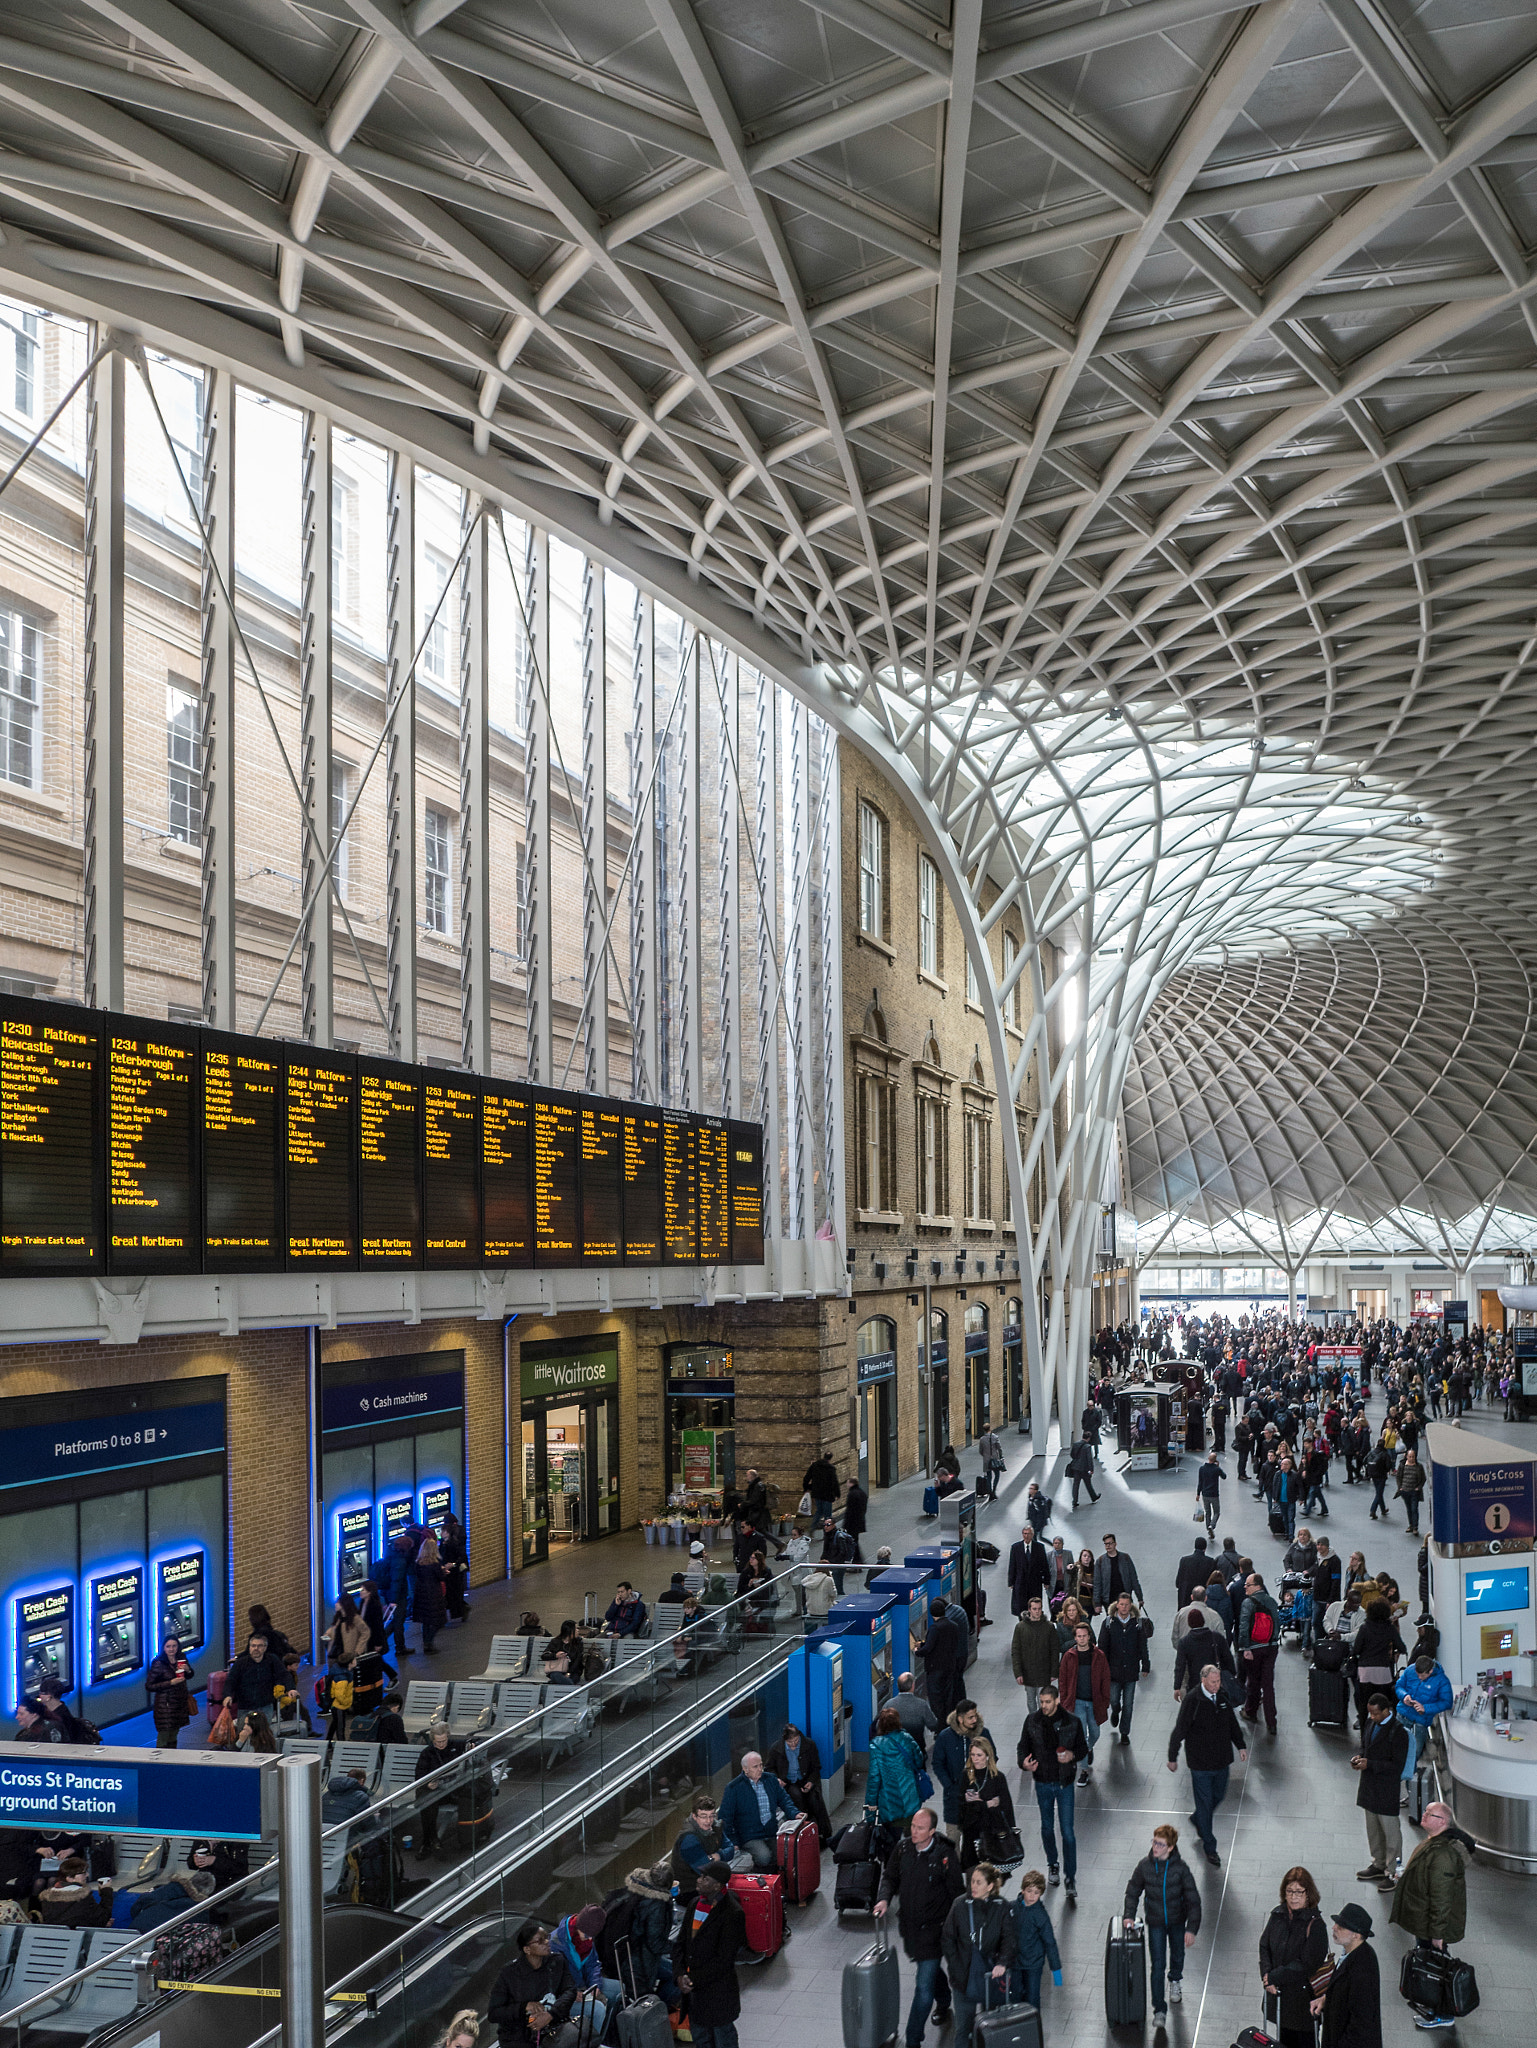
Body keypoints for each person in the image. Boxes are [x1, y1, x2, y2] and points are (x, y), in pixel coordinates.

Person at [876, 1809, 964, 2048]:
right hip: (910, 1928)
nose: (914, 1831)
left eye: (920, 1828)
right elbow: (890, 1876)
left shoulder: (945, 1856)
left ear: (932, 1832)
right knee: (931, 1970)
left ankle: (913, 2039)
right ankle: (945, 1999)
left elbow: (958, 1894)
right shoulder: (903, 1849)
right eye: (913, 1826)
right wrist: (884, 1898)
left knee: (923, 1987)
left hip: (935, 1932)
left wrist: (957, 1931)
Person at [1388, 1801, 1471, 2015]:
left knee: (1437, 1969)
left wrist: (1437, 1934)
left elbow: (1442, 1899)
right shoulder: (1434, 1843)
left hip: (1431, 1926)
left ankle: (1442, 2013)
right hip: (1424, 1921)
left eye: (1429, 1813)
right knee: (1430, 1966)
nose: (1423, 1815)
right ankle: (1433, 2005)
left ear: (1442, 1822)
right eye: (1425, 1811)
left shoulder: (1443, 1855)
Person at [1166, 1662, 1247, 1868]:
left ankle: (1198, 1818)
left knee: (1218, 1796)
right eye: (1213, 1682)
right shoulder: (1193, 1700)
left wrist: (1241, 1745)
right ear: (1203, 1680)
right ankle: (1210, 1847)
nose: (1216, 1685)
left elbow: (1231, 1722)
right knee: (1205, 1803)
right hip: (1200, 1764)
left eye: (1218, 1681)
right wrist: (1172, 1756)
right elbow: (1180, 1729)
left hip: (1221, 1761)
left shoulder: (1222, 1696)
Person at [1123, 1824, 1201, 2024]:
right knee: (1157, 1965)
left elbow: (1193, 1900)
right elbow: (1133, 1890)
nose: (1155, 1847)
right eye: (1154, 1842)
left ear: (1171, 1847)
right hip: (1156, 1922)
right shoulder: (1145, 1866)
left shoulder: (1181, 1870)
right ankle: (1159, 2009)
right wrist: (1129, 1915)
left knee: (1177, 1955)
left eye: (1160, 1844)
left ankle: (1175, 1979)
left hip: (1177, 1921)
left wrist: (1191, 1929)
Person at [1017, 1681, 1086, 1896]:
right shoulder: (1032, 1721)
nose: (1044, 1706)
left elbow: (1082, 1748)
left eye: (1047, 1702)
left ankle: (1070, 1877)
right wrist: (1024, 1763)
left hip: (1064, 1782)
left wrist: (1072, 1755)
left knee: (1068, 1832)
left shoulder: (1072, 1722)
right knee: (1047, 1827)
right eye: (1041, 1702)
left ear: (1057, 1700)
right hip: (1043, 1781)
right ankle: (1053, 1863)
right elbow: (1023, 1747)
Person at [672, 1861, 746, 2048]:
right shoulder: (694, 1904)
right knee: (700, 2037)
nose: (699, 1880)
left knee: (723, 2038)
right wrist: (680, 1974)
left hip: (717, 1992)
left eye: (705, 1878)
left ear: (718, 1885)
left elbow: (724, 1959)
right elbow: (681, 1943)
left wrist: (692, 1980)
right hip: (694, 1992)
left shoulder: (732, 1913)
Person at [942, 1861, 1016, 2043]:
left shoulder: (1002, 1907)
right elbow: (948, 1938)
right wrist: (955, 1968)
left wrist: (1002, 1962)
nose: (973, 1886)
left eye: (978, 1882)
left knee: (991, 2027)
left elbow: (1009, 1939)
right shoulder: (959, 1905)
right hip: (963, 1978)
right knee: (963, 2029)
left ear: (990, 1886)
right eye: (972, 1881)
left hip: (990, 1975)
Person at [1261, 1867, 1330, 2048]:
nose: (1293, 1897)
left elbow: (1308, 1964)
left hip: (1302, 2004)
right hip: (1280, 1998)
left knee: (1304, 2042)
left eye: (1299, 1892)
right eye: (1289, 1891)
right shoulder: (1277, 1915)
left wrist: (1275, 1977)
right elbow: (1264, 1946)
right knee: (1283, 2040)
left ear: (1309, 1893)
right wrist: (1267, 1976)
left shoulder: (1315, 1925)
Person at [487, 1920, 578, 2048]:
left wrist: (551, 2014)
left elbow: (570, 1990)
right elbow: (494, 2013)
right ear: (527, 1949)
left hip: (553, 2029)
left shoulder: (557, 1961)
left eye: (546, 1938)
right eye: (540, 1941)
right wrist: (524, 2007)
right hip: (519, 2036)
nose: (547, 1942)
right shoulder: (508, 1974)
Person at [1351, 1693, 1409, 1891]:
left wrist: (1371, 1764)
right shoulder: (1370, 1723)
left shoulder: (1398, 1732)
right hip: (1369, 1787)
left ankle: (1395, 1872)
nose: (1372, 1717)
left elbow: (1397, 1765)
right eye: (1370, 1713)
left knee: (1392, 1835)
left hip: (1386, 1790)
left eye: (1376, 1713)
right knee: (1373, 1830)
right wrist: (1359, 1757)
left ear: (1387, 1710)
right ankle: (1378, 1864)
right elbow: (1365, 1746)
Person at [1311, 1903, 1382, 2048]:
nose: (1334, 1927)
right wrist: (1326, 1999)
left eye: (1341, 1927)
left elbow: (1362, 2022)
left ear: (1356, 1935)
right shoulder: (1353, 1953)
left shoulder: (1362, 1969)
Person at [550, 1906, 623, 2040]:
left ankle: (604, 2033)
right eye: (587, 1935)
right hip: (565, 1995)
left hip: (584, 1986)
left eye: (592, 1936)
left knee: (619, 1989)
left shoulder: (585, 1937)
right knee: (598, 2009)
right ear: (579, 1926)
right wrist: (573, 1992)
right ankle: (589, 2042)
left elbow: (593, 1964)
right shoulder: (556, 1943)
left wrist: (596, 1985)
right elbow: (554, 1979)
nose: (590, 1940)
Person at [718, 1750, 796, 1867]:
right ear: (745, 1769)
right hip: (749, 1835)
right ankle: (760, 1878)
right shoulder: (734, 1788)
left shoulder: (770, 1780)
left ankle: (777, 1881)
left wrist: (795, 1813)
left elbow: (784, 1799)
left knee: (784, 1854)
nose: (760, 1769)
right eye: (755, 1766)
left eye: (761, 1765)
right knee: (764, 1857)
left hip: (771, 1831)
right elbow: (725, 1817)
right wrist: (732, 1842)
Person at [1056, 1621, 1110, 1784]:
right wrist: (1065, 1700)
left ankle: (1085, 1749)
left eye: (1084, 1636)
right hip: (1076, 1702)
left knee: (1095, 1733)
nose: (1082, 1639)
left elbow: (1105, 1679)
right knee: (1080, 1734)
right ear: (1075, 1638)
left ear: (1089, 1637)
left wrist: (1105, 1700)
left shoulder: (1099, 1656)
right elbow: (1063, 1679)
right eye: (1079, 1636)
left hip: (1095, 1702)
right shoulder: (1069, 1656)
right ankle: (1084, 1770)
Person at [932, 1701, 990, 1845]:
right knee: (952, 1841)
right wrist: (949, 1786)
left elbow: (993, 1758)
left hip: (978, 1798)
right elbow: (938, 1763)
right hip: (954, 1800)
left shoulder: (983, 1733)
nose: (974, 1720)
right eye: (970, 1717)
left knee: (976, 1844)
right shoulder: (946, 1737)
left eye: (975, 1716)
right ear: (960, 1719)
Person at [765, 1721, 832, 1842]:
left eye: (796, 1741)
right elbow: (769, 1768)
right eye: (790, 1742)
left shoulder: (809, 1745)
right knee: (796, 1797)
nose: (793, 1744)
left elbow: (816, 1767)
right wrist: (777, 1779)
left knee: (814, 1799)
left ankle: (823, 1832)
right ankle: (805, 1832)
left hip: (805, 1780)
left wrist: (811, 1781)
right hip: (788, 1782)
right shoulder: (776, 1749)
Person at [957, 1735, 1016, 1872]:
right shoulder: (966, 1775)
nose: (975, 1758)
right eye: (972, 1755)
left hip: (992, 1834)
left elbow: (1006, 1806)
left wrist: (1011, 1831)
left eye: (979, 1755)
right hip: (971, 1833)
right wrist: (988, 1803)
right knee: (973, 1875)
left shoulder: (998, 1777)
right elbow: (961, 1806)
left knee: (990, 1876)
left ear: (987, 1756)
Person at [1099, 1591, 1151, 1745]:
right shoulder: (1108, 1623)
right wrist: (1102, 1668)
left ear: (1130, 1606)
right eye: (1121, 1604)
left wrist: (1145, 1665)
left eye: (1127, 1604)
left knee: (1128, 1704)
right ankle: (1115, 1711)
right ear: (1117, 1605)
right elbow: (1102, 1647)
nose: (1124, 1607)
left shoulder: (1138, 1624)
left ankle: (1124, 1732)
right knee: (1114, 1700)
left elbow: (1143, 1646)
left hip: (1130, 1671)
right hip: (1113, 1672)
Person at [1395, 1654, 1452, 1791]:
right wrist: (1404, 1696)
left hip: (1420, 1723)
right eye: (1417, 1674)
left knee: (1412, 1757)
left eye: (1422, 1676)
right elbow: (1399, 1686)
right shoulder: (1410, 1670)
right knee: (1394, 1751)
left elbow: (1447, 1702)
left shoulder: (1442, 1681)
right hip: (1402, 1716)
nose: (1419, 1678)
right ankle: (1393, 1786)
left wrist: (1425, 1708)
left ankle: (1411, 1793)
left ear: (1430, 1671)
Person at [1008, 1870, 1063, 2010]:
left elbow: (1050, 1942)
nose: (1032, 1896)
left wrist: (1056, 1970)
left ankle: (1032, 2027)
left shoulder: (1040, 1916)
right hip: (1014, 1962)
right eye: (1029, 1891)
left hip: (1033, 1964)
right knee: (1014, 1997)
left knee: (1032, 1998)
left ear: (1041, 1894)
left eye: (1036, 1892)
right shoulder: (1011, 1908)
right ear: (1022, 1890)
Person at [1238, 1572, 1283, 1734]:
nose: (1245, 1587)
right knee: (1268, 1684)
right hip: (1271, 1647)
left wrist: (1245, 1648)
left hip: (1254, 1647)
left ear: (1258, 1586)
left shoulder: (1248, 1603)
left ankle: (1250, 1712)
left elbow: (1243, 1626)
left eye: (1248, 1585)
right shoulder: (1271, 1601)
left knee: (1253, 1681)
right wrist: (1273, 1641)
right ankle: (1272, 1722)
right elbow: (1277, 1623)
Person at [671, 1796, 737, 1904]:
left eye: (711, 1816)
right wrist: (718, 1858)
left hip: (708, 1882)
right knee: (731, 1902)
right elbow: (706, 1869)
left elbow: (731, 1849)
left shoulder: (716, 1826)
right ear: (694, 1816)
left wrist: (719, 1855)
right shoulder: (688, 1839)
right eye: (703, 1816)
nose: (708, 1821)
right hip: (690, 1890)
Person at [413, 1723, 464, 1858]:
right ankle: (431, 1839)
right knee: (427, 1799)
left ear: (448, 1736)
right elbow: (419, 1776)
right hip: (437, 1790)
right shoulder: (427, 1753)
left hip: (454, 1788)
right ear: (432, 1740)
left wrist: (472, 1746)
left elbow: (478, 1742)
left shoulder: (456, 1746)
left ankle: (428, 1842)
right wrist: (428, 1784)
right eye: (437, 1742)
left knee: (428, 1800)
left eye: (443, 1741)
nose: (441, 1744)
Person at [225, 1632, 288, 1728]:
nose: (256, 1649)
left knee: (263, 1733)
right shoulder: (241, 1663)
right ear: (249, 1647)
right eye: (253, 1646)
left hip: (265, 1705)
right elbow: (231, 1680)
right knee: (244, 1732)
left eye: (259, 1646)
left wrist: (291, 1688)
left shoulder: (272, 1660)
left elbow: (283, 1674)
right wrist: (227, 1695)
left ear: (265, 1648)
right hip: (245, 1706)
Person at [1010, 1594, 1059, 1715]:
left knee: (1044, 1700)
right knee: (1031, 1701)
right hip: (1028, 1673)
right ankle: (1035, 1722)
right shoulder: (1020, 1628)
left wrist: (1054, 1672)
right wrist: (1018, 1673)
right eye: (1034, 1609)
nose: (1037, 1611)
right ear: (1029, 1610)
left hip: (1044, 1672)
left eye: (1039, 1608)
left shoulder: (1049, 1627)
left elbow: (1054, 1650)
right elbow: (1016, 1651)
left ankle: (1043, 1723)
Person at [920, 1599, 966, 1723]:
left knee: (936, 1697)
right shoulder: (953, 1626)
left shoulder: (935, 1628)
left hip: (935, 1668)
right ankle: (948, 1720)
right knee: (947, 1696)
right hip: (950, 1666)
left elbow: (929, 1648)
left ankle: (940, 1723)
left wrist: (917, 1651)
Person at [34, 1855, 112, 1927]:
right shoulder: (82, 1897)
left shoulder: (46, 1899)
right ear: (69, 1878)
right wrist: (106, 1891)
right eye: (83, 1873)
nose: (87, 1875)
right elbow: (102, 1919)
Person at [1173, 1607, 1234, 1699]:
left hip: (1195, 1682)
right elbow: (1228, 1658)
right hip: (1216, 1681)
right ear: (1203, 1621)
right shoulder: (1216, 1637)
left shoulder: (1184, 1642)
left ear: (1189, 1624)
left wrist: (1177, 1686)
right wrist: (1231, 1675)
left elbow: (1180, 1666)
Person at [146, 1636, 192, 1750]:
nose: (171, 1649)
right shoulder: (159, 1663)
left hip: (179, 1703)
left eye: (174, 1646)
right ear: (164, 1648)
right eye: (168, 1646)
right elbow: (149, 1685)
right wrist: (170, 1682)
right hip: (165, 1705)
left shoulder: (182, 1658)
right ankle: (161, 1761)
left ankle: (172, 1757)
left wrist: (188, 1670)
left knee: (174, 1733)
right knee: (164, 1735)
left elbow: (190, 1675)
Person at [890, 1671, 940, 1758]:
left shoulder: (889, 1705)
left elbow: (879, 1726)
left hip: (895, 1752)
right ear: (913, 1686)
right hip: (917, 1750)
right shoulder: (921, 1704)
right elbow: (933, 1724)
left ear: (897, 1686)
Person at [413, 1535, 448, 1654]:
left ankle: (426, 1644)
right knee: (438, 1621)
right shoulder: (435, 1564)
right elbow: (441, 1577)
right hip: (434, 1593)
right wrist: (444, 1571)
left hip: (421, 1594)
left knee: (426, 1622)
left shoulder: (418, 1563)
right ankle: (429, 1642)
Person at [1093, 1534, 1143, 1614]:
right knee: (1112, 1623)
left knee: (1127, 1621)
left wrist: (1140, 1597)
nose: (1108, 1546)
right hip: (1109, 1599)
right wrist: (1097, 1603)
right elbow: (1097, 1583)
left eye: (1110, 1543)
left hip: (1125, 1598)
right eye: (1106, 1544)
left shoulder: (1125, 1558)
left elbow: (1133, 1579)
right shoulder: (1100, 1561)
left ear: (1115, 1544)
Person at [1008, 1526, 1050, 1615]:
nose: (1026, 1536)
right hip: (1020, 1582)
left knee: (1034, 1604)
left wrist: (1046, 1581)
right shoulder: (1016, 1547)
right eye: (1025, 1534)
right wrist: (1011, 1582)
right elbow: (1012, 1565)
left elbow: (1044, 1565)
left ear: (1032, 1534)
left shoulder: (1039, 1547)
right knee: (1021, 1605)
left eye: (1028, 1534)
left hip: (1035, 1582)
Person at [1394, 1449, 1426, 1536]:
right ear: (1407, 1457)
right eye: (1410, 1457)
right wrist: (1400, 1488)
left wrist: (1418, 1488)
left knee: (1414, 1509)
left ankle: (1415, 1527)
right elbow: (1399, 1477)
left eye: (1413, 1457)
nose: (1412, 1458)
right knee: (1409, 1509)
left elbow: (1423, 1478)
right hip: (1405, 1491)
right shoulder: (1402, 1466)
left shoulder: (1419, 1467)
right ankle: (1411, 1525)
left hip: (1414, 1492)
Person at [1174, 1537, 1211, 1611]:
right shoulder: (1210, 1562)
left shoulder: (1184, 1560)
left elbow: (1178, 1582)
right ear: (1205, 1548)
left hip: (1185, 1601)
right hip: (1201, 1602)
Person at [802, 1453, 839, 1527]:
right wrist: (837, 1493)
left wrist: (806, 1488)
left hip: (817, 1493)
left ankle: (812, 1527)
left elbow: (807, 1478)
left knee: (819, 1511)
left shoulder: (814, 1466)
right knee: (827, 1514)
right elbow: (834, 1482)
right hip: (827, 1494)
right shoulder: (831, 1468)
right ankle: (828, 1531)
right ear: (830, 1459)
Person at [1195, 1450, 1227, 1533]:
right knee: (1216, 1512)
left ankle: (1208, 1528)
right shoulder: (1216, 1469)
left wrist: (1198, 1494)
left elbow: (1200, 1482)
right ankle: (1212, 1525)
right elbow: (1224, 1476)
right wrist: (1219, 1467)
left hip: (1205, 1494)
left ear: (1208, 1458)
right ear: (1215, 1460)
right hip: (1214, 1494)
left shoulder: (1202, 1469)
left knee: (1208, 1512)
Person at [1065, 1437, 1099, 1508]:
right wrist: (1091, 1469)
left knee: (1076, 1485)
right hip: (1084, 1468)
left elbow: (1072, 1455)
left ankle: (1074, 1501)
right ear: (1089, 1438)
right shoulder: (1087, 1447)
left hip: (1076, 1467)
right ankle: (1093, 1497)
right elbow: (1089, 1459)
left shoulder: (1075, 1444)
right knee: (1088, 1484)